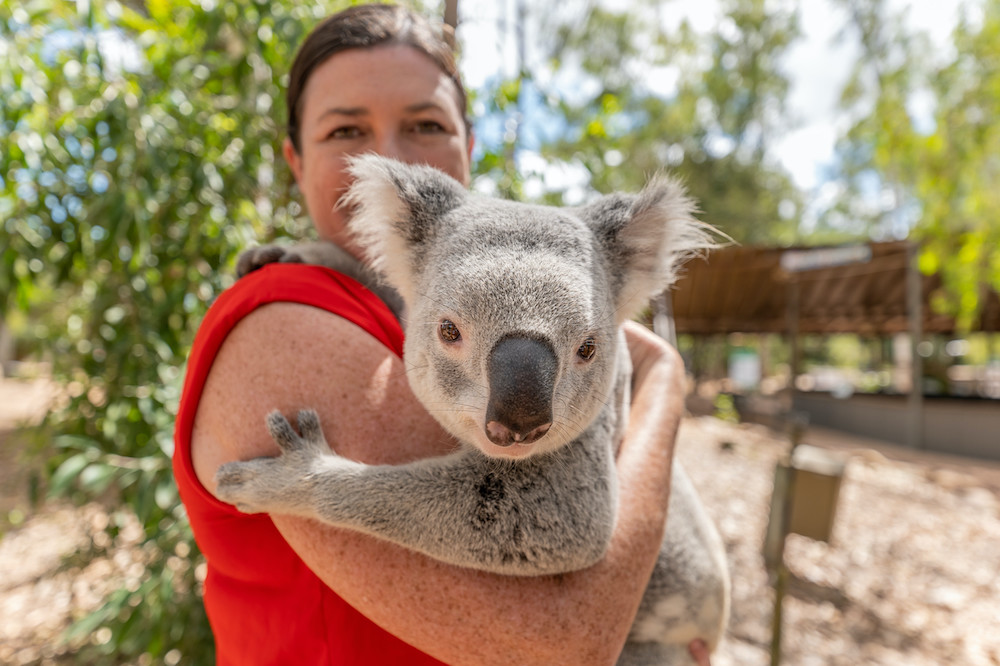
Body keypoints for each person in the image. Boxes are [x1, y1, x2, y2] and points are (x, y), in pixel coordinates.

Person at [172, 4, 713, 665]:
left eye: (426, 124)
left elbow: (424, 312)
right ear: (293, 157)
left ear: (470, 144)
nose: (389, 154)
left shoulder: (546, 266)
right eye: (347, 130)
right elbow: (567, 639)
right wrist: (662, 386)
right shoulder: (280, 320)